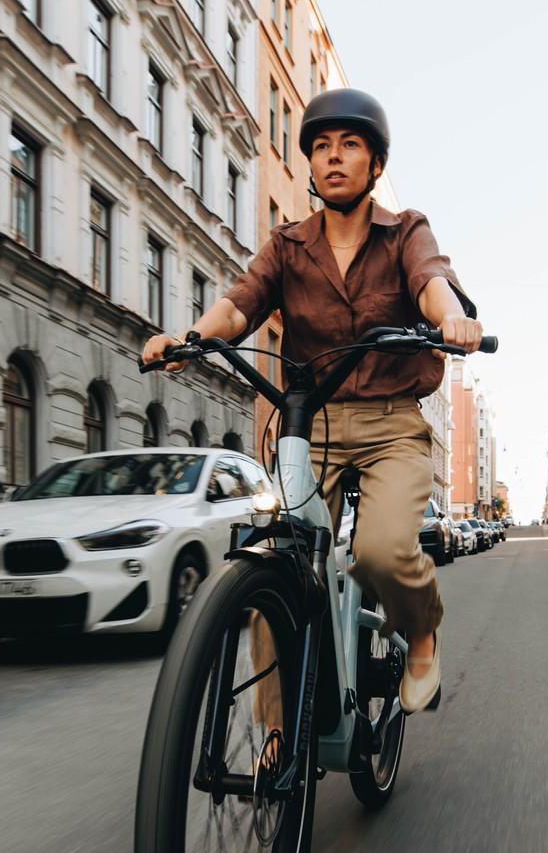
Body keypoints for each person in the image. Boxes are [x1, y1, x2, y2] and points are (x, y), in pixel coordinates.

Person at [142, 88, 479, 713]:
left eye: (350, 145)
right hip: (310, 426)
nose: (333, 157)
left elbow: (431, 282)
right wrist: (190, 339)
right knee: (280, 567)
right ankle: (276, 738)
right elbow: (241, 303)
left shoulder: (405, 231)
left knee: (380, 550)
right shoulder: (289, 244)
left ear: (375, 164)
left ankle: (423, 631)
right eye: (321, 146)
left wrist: (452, 319)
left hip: (391, 425)